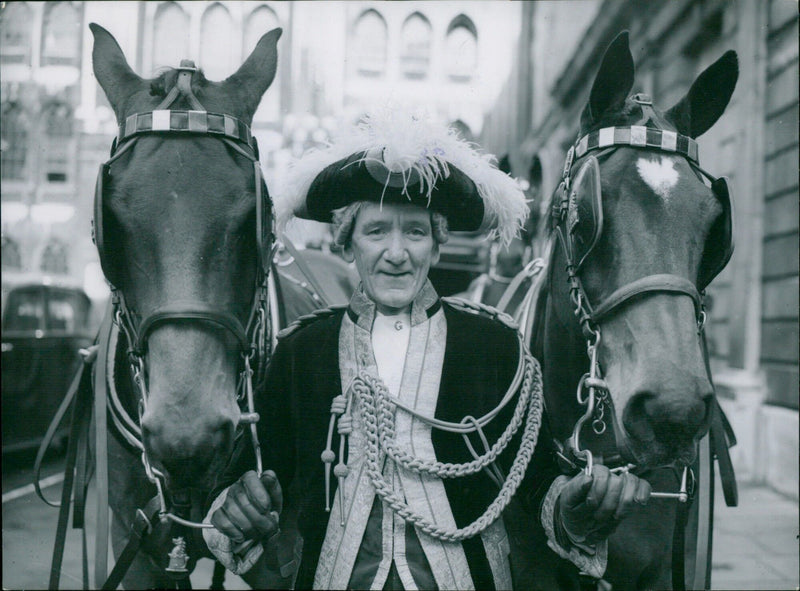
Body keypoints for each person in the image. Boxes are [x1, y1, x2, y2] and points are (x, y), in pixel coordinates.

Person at [202, 109, 651, 590]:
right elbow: (248, 479)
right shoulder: (301, 352)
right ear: (348, 244)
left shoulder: (494, 346)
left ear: (436, 246)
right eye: (376, 231)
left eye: (415, 232)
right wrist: (239, 505)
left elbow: (538, 482)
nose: (397, 252)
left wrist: (576, 510)